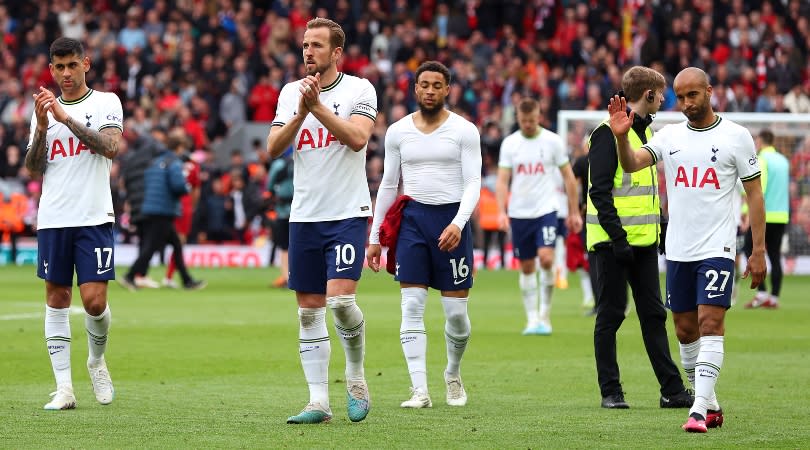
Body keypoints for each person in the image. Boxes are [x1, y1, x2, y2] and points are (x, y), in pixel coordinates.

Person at [608, 66, 767, 432]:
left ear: (709, 91)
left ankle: (697, 410)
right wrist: (621, 138)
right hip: (678, 248)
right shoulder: (669, 135)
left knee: (711, 322)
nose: (685, 103)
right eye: (679, 97)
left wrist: (758, 250)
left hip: (718, 246)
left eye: (692, 95)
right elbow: (632, 164)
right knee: (683, 330)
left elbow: (754, 195)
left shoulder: (736, 137)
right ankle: (709, 402)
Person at [266, 18, 376, 424]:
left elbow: (358, 138)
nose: (308, 51)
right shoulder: (290, 92)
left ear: (336, 53)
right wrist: (300, 112)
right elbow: (273, 147)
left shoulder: (359, 89)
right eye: (305, 44)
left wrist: (318, 109)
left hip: (346, 212)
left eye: (316, 45)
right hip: (305, 216)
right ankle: (318, 402)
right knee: (309, 312)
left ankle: (356, 376)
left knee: (342, 302)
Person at [367, 60, 482, 409]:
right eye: (424, 85)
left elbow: (473, 183)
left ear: (447, 90)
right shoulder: (399, 131)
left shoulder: (464, 130)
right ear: (415, 89)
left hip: (451, 219)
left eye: (437, 85)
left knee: (456, 314)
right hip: (413, 221)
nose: (430, 91)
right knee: (412, 305)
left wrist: (459, 223)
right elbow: (388, 185)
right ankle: (420, 390)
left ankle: (452, 373)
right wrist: (374, 237)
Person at [23, 37, 122, 410]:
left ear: (86, 64)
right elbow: (34, 168)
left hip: (93, 215)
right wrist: (44, 126)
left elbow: (110, 147)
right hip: (53, 217)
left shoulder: (106, 102)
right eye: (59, 67)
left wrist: (66, 118)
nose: (66, 73)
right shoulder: (42, 112)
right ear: (52, 69)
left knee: (94, 303)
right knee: (57, 299)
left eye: (72, 65)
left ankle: (96, 361)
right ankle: (64, 389)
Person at [587, 66, 693, 410]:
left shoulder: (647, 135)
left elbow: (645, 193)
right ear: (648, 94)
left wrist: (658, 231)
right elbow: (599, 192)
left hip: (644, 243)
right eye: (661, 93)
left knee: (653, 315)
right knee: (611, 315)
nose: (665, 99)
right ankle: (610, 391)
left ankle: (672, 390)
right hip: (612, 244)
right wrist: (617, 238)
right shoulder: (607, 134)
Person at [495, 97, 582, 336]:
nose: (528, 125)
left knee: (545, 258)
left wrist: (573, 211)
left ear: (539, 117)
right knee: (526, 266)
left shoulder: (552, 142)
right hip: (519, 213)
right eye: (524, 121)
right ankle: (531, 319)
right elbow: (503, 180)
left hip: (546, 209)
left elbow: (569, 178)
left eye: (532, 120)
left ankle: (544, 314)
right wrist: (501, 211)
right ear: (518, 119)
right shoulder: (510, 144)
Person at [118, 129, 207, 292]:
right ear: (179, 148)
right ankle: (130, 276)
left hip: (152, 207)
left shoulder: (156, 161)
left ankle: (187, 280)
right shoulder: (174, 162)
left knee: (175, 244)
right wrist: (186, 187)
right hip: (163, 210)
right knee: (152, 247)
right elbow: (178, 186)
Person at [743, 129, 789, 309]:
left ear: (761, 141)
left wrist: (747, 213)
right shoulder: (783, 161)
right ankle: (775, 298)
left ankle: (761, 293)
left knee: (750, 248)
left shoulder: (762, 159)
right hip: (782, 214)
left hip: (765, 215)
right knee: (775, 256)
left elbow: (758, 189)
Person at [267, 147, 294, 288]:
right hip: (303, 210)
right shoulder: (302, 162)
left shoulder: (278, 165)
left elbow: (270, 186)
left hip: (283, 210)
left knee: (284, 245)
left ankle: (286, 277)